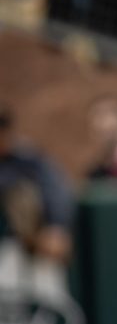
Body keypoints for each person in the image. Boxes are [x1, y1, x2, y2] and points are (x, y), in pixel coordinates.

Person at [0, 104, 73, 264]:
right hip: (6, 244)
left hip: (32, 243)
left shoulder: (27, 158)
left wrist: (56, 225)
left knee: (22, 194)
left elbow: (56, 190)